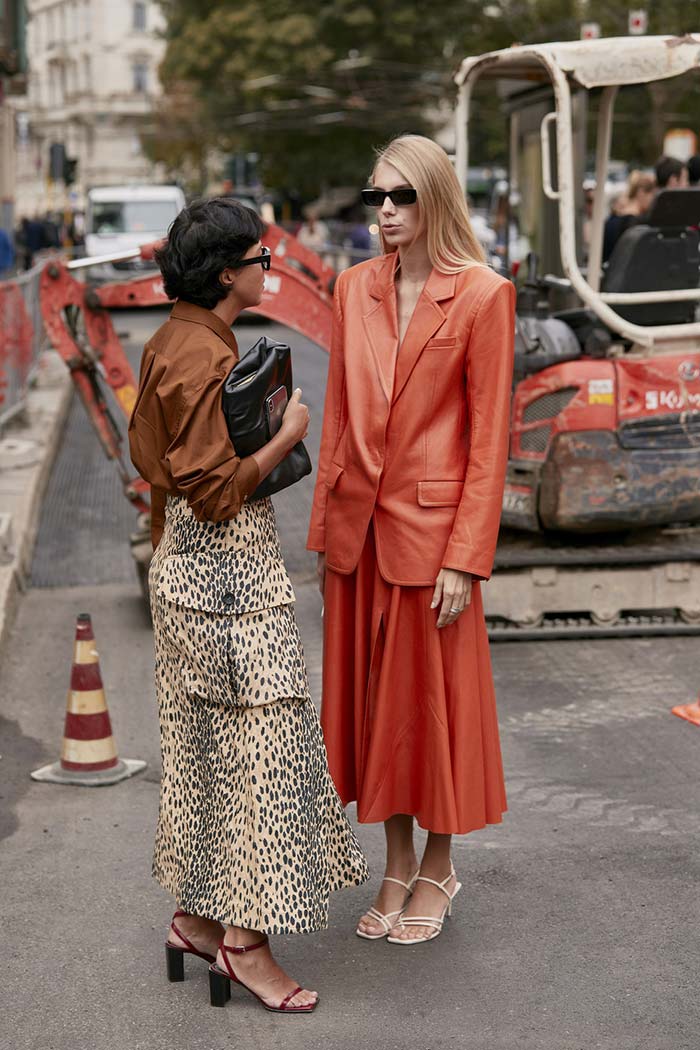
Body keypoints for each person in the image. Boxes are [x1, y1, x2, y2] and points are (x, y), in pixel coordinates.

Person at [128, 197, 367, 1013]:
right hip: (224, 581)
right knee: (262, 762)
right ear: (229, 273)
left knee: (208, 752)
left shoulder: (178, 338)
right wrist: (284, 432)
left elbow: (157, 463)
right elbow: (215, 492)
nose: (272, 264)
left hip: (191, 576)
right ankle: (245, 945)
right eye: (261, 254)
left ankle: (196, 922)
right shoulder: (201, 355)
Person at [307, 134, 515, 945]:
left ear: (434, 201)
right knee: (374, 714)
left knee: (432, 714)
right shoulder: (351, 285)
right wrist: (326, 532)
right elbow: (337, 418)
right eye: (375, 199)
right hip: (358, 535)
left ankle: (438, 865)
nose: (384, 213)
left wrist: (467, 555)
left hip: (434, 539)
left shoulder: (484, 295)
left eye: (400, 198)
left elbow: (489, 439)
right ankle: (395, 864)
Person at [602, 170, 656, 262]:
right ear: (641, 193)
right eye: (652, 196)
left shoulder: (615, 216)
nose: (653, 202)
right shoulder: (634, 223)